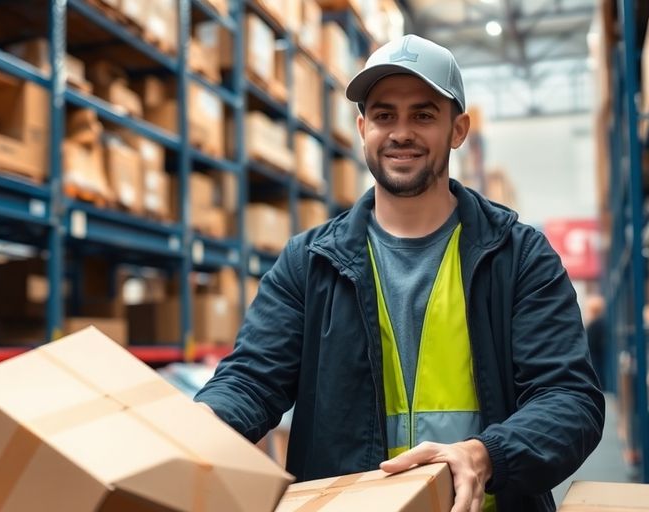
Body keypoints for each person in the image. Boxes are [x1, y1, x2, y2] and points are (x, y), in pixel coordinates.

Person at [195, 34, 604, 512]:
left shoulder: (518, 256)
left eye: (423, 115)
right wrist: (200, 424)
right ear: (362, 127)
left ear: (457, 130)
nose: (401, 132)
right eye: (385, 115)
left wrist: (486, 455)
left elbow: (569, 399)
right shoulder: (309, 262)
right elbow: (252, 379)